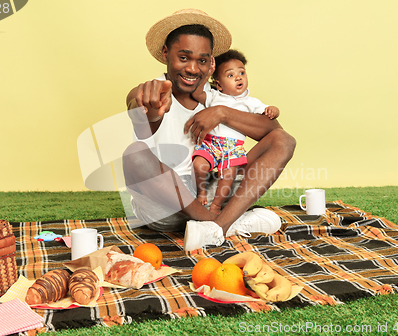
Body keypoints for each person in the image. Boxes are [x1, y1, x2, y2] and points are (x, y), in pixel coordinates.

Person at [123, 9, 296, 251]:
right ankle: (225, 224)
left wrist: (223, 113)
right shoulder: (154, 92)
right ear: (165, 53)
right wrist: (144, 105)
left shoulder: (219, 99)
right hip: (167, 203)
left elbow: (274, 132)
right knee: (134, 154)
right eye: (184, 58)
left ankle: (216, 229)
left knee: (284, 140)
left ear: (211, 63)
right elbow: (138, 112)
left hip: (214, 190)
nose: (193, 69)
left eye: (202, 60)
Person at [191, 49, 280, 215]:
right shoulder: (214, 96)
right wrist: (206, 74)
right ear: (218, 84)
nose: (238, 77)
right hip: (212, 143)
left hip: (233, 148)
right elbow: (196, 93)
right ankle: (201, 192)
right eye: (230, 75)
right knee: (198, 165)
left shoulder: (250, 102)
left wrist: (273, 110)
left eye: (242, 73)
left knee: (228, 178)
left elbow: (267, 114)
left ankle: (216, 205)